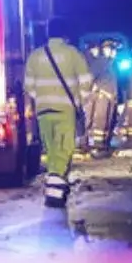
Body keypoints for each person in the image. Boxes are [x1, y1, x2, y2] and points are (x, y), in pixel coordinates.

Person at [24, 17, 92, 208]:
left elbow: (29, 87)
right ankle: (55, 192)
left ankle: (56, 190)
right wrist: (79, 100)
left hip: (44, 111)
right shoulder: (73, 54)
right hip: (65, 110)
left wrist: (43, 97)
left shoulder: (35, 56)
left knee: (52, 150)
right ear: (65, 34)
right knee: (64, 149)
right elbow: (86, 80)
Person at [87, 39, 118, 154]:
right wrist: (100, 89)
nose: (114, 52)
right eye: (112, 49)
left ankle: (104, 144)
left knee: (108, 121)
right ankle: (97, 145)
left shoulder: (110, 63)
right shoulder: (100, 62)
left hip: (110, 98)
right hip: (102, 97)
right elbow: (90, 78)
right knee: (101, 121)